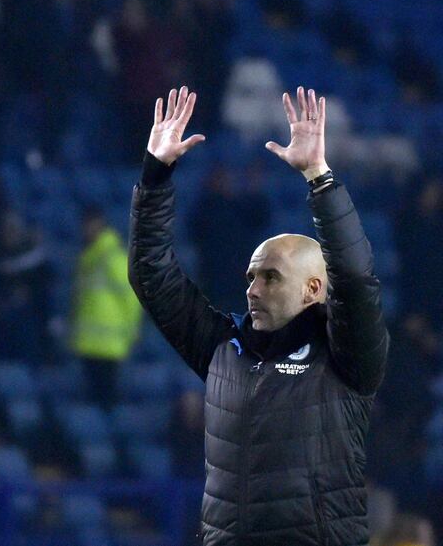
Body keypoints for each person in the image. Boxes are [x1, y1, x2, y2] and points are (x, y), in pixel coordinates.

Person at [128, 85, 389, 545]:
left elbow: (353, 276)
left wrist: (319, 177)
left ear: (313, 289)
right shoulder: (224, 349)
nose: (253, 289)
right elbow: (151, 276)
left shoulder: (346, 356)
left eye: (271, 277)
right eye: (251, 276)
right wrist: (155, 175)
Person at [71, 208, 142, 409]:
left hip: (108, 343)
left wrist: (131, 330)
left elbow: (131, 297)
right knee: (93, 400)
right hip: (88, 341)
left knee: (106, 399)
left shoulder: (113, 258)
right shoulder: (87, 258)